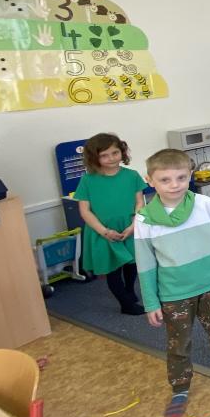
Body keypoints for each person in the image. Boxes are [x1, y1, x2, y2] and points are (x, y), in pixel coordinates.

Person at [134, 149, 210, 417]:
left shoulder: (204, 204)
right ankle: (180, 388)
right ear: (149, 180)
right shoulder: (144, 219)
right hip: (174, 293)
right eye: (165, 180)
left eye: (181, 177)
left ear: (190, 174)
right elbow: (145, 263)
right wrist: (151, 302)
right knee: (179, 342)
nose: (174, 185)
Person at [75, 132, 147, 315]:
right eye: (104, 155)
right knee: (112, 270)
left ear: (122, 152)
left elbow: (140, 202)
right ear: (94, 158)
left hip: (129, 227)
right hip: (102, 232)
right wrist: (104, 231)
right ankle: (125, 304)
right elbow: (85, 211)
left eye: (115, 153)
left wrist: (134, 225)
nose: (112, 158)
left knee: (132, 263)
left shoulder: (132, 176)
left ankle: (129, 290)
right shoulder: (87, 180)